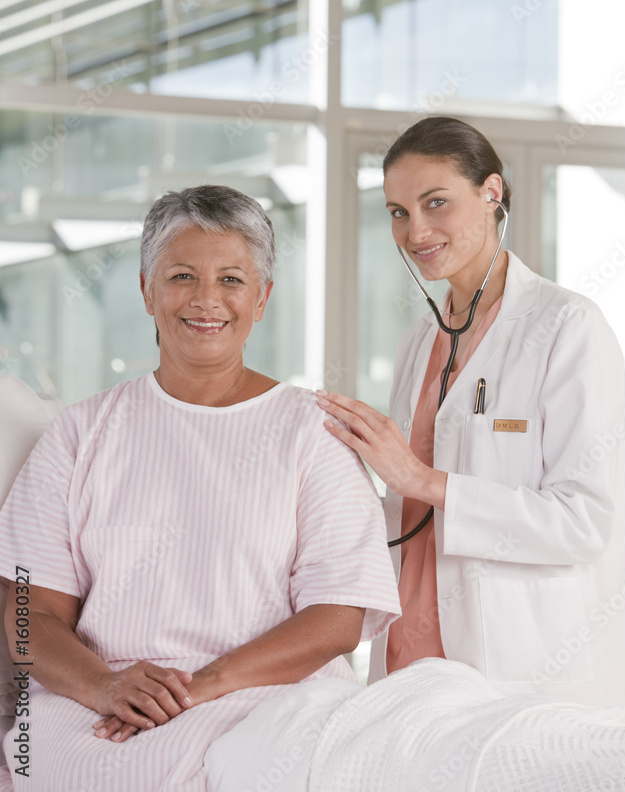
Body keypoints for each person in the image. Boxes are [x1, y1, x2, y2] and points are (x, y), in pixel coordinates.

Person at [0, 185, 400, 791]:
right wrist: (106, 685)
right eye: (182, 275)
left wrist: (201, 686)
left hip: (268, 699)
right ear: (146, 290)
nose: (206, 300)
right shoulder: (79, 435)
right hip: (100, 702)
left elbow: (336, 618)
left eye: (232, 280)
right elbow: (29, 614)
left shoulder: (312, 434)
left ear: (262, 298)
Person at [316, 116, 625, 708]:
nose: (416, 230)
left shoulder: (566, 327)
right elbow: (407, 511)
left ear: (492, 193)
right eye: (398, 211)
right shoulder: (419, 343)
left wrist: (422, 479)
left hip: (519, 663)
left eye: (436, 203)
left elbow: (585, 522)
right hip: (409, 652)